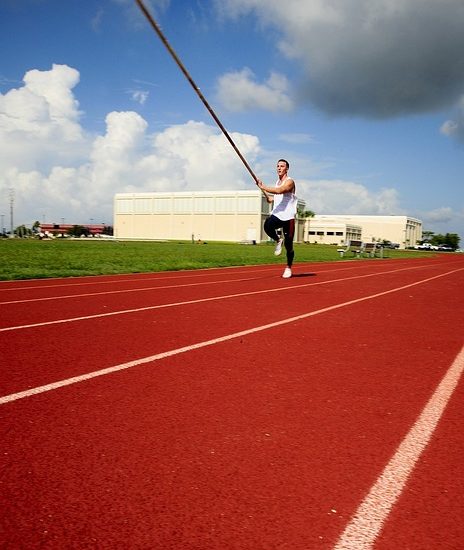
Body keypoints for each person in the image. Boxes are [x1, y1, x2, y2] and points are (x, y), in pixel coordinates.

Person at [258, 159, 297, 278]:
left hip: (288, 217)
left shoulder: (290, 181)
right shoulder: (277, 182)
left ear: (287, 169)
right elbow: (279, 197)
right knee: (267, 225)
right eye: (278, 166)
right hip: (278, 214)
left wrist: (264, 187)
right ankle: (278, 239)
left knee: (289, 245)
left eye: (282, 166)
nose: (279, 168)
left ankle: (288, 267)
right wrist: (271, 199)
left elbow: (281, 191)